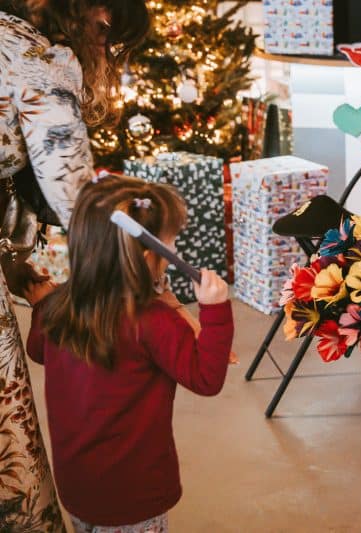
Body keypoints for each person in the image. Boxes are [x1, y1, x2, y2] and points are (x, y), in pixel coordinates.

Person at [0, 1, 149, 529]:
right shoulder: (37, 59)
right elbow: (80, 202)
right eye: (107, 33)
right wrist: (156, 285)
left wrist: (11, 259)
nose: (104, 51)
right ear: (91, 13)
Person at [24, 174, 234, 532]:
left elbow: (38, 350)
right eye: (172, 243)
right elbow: (205, 377)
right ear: (150, 255)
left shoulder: (58, 305)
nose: (175, 254)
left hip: (78, 486)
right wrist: (215, 311)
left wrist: (40, 306)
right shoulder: (152, 321)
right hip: (134, 495)